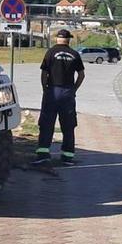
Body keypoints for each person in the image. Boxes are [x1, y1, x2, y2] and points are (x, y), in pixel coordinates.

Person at [33, 29, 85, 166]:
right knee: (68, 125)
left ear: (57, 39)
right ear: (69, 39)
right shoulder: (74, 54)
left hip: (52, 91)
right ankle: (67, 157)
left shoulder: (50, 53)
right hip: (67, 92)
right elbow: (81, 75)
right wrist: (74, 89)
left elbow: (44, 73)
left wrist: (45, 88)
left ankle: (43, 154)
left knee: (46, 124)